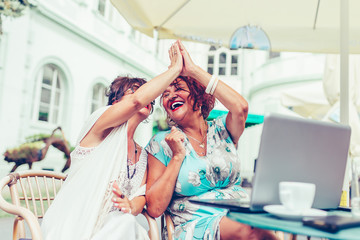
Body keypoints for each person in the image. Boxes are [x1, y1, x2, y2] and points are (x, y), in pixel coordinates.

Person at [41, 42, 183, 240]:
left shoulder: (142, 154)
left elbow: (142, 195)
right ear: (116, 102)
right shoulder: (100, 123)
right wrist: (175, 69)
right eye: (135, 90)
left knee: (126, 224)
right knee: (125, 225)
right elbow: (136, 101)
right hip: (75, 220)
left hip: (114, 226)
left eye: (147, 95)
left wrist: (132, 204)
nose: (146, 97)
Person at [145, 41, 279, 240]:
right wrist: (177, 157)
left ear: (199, 97)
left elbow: (241, 107)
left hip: (239, 213)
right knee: (250, 229)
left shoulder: (222, 128)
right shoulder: (162, 142)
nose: (171, 96)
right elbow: (155, 207)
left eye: (179, 89)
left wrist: (194, 71)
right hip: (195, 226)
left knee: (265, 225)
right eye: (166, 94)